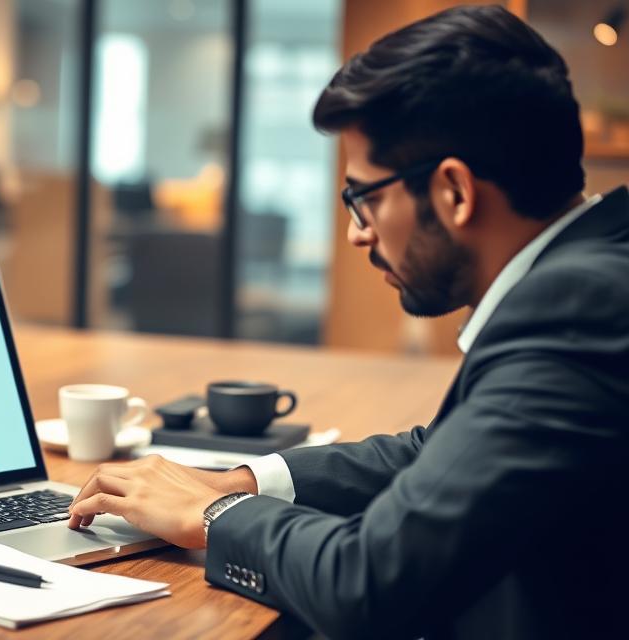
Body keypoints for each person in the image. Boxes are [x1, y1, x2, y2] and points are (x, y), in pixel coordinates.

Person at [67, 6, 628, 638]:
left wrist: (216, 513)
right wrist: (241, 479)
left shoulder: (578, 311)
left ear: (455, 192)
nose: (357, 233)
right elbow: (439, 452)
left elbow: (368, 584)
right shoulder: (597, 266)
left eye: (364, 197)